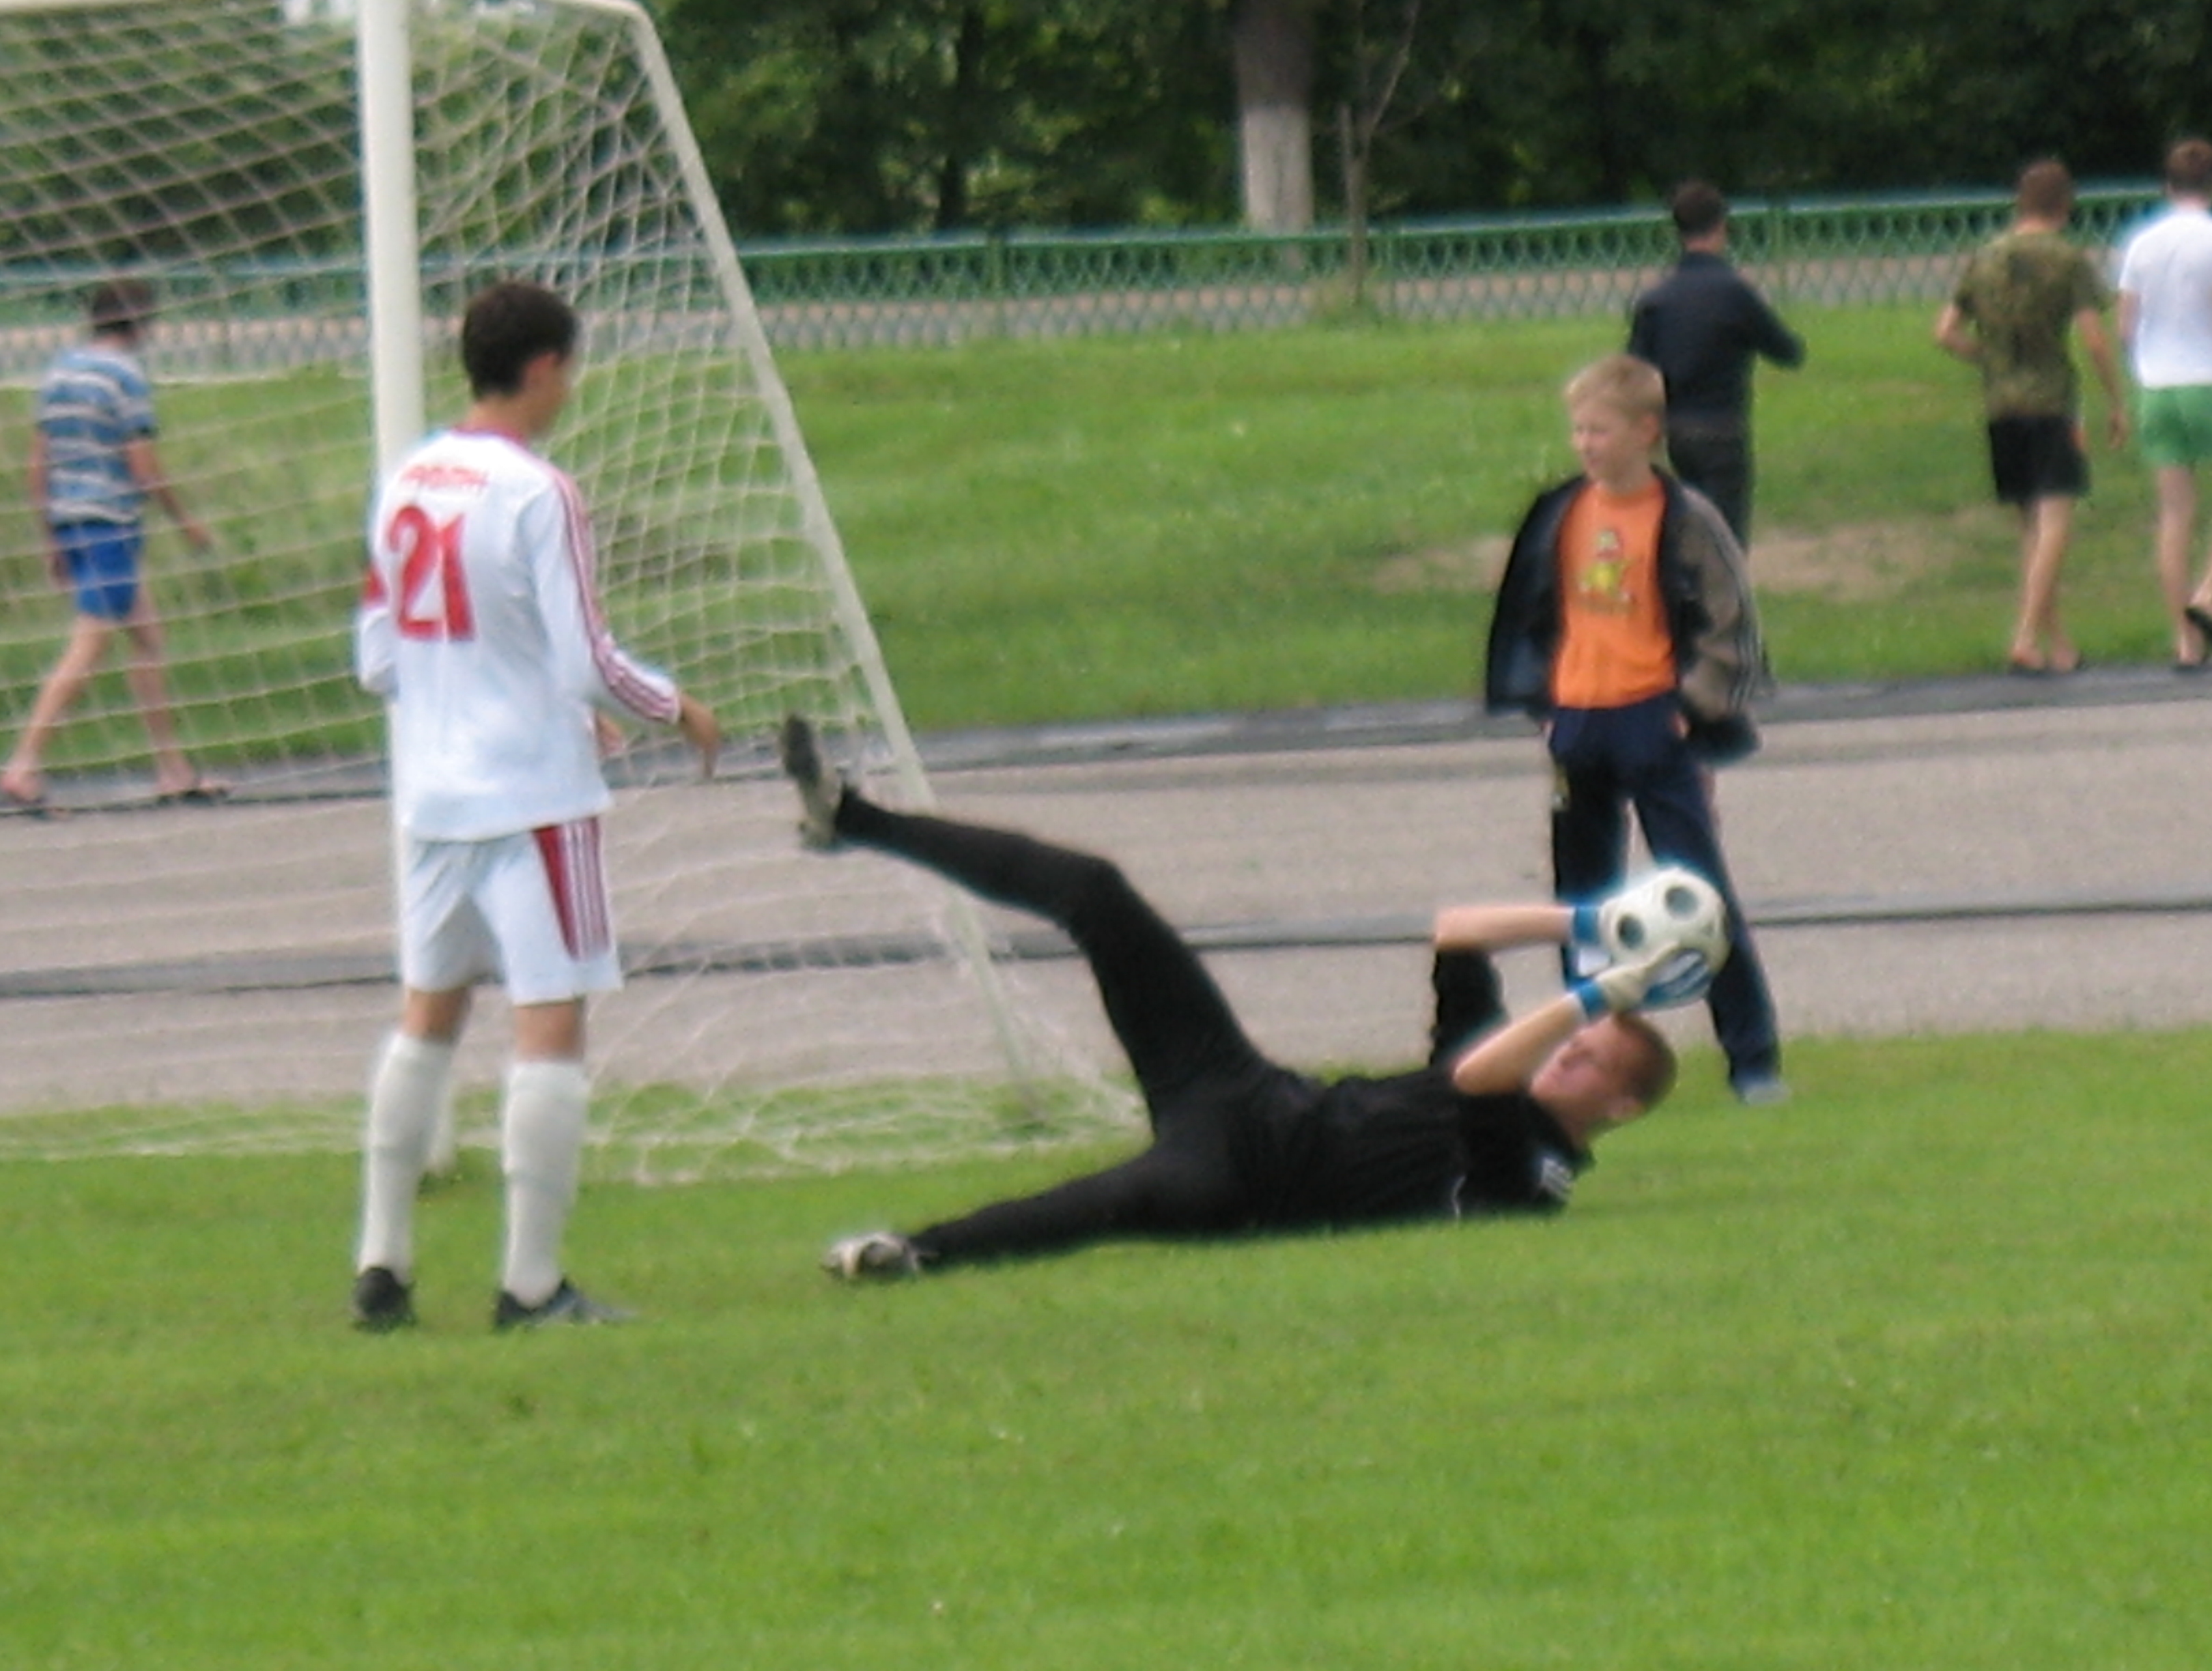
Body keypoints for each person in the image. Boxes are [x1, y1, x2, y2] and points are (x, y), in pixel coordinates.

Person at [779, 715, 1688, 1280]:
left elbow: (1484, 1078)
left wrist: (1600, 993)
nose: (1567, 1049)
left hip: (1245, 1184)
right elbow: (1456, 928)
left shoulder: (1534, 1177)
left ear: (1616, 1104)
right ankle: (853, 818)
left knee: (1106, 1205)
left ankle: (912, 1256)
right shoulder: (1516, 1064)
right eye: (1578, 1036)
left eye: (1586, 1058)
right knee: (1098, 892)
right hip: (1246, 1094)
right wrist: (1591, 922)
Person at [348, 281, 721, 1331]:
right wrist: (673, 707)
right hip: (534, 800)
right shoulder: (538, 491)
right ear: (547, 368)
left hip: (430, 796)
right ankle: (531, 1285)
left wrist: (489, 694)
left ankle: (381, 1264)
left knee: (428, 1017)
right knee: (548, 1027)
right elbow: (588, 658)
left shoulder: (408, 477)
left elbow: (379, 654)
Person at [1484, 353, 1785, 1105]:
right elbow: (1531, 613)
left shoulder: (1683, 517)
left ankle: (1752, 1060)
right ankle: (1590, 1053)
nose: (1587, 445)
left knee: (1698, 896)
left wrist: (1693, 704)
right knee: (1583, 902)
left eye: (1601, 430)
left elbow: (1729, 622)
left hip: (1653, 721)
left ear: (1645, 432)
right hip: (1578, 723)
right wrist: (1544, 705)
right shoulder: (1561, 512)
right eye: (1579, 430)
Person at [0, 278, 223, 815]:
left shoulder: (60, 371)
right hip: (110, 526)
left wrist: (48, 533)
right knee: (90, 645)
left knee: (147, 640)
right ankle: (23, 765)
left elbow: (39, 459)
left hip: (71, 521)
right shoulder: (125, 378)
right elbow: (142, 465)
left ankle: (172, 768)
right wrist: (187, 522)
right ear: (141, 322)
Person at [1933, 158, 2129, 676]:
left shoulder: (1987, 256)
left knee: (2030, 531)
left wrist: (1988, 355)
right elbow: (2092, 336)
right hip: (2050, 401)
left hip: (2001, 403)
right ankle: (2024, 636)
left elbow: (1946, 331)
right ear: (2064, 204)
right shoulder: (2067, 260)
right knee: (2057, 521)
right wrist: (2115, 400)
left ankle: (2057, 643)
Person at [1625, 180, 1805, 549]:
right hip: (1722, 427)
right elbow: (1787, 351)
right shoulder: (1734, 293)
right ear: (1721, 226)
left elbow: (1634, 371)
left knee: (1686, 524)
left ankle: (1687, 593)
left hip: (1675, 430)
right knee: (1726, 538)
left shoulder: (1656, 300)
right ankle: (1720, 602)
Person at [2115, 137, 2212, 670]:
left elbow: (2126, 324)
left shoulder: (2142, 244)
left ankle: (2185, 640)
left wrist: (2140, 366)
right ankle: (2207, 596)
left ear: (2167, 184)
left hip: (2157, 385)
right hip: (2207, 377)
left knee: (2175, 514)